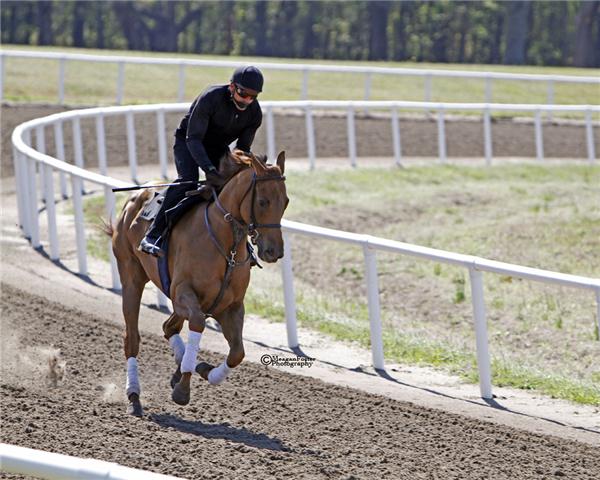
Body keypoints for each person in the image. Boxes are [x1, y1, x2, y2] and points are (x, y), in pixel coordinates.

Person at [139, 65, 264, 258]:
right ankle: (153, 234)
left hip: (217, 148)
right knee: (188, 179)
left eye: (252, 96)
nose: (247, 100)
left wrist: (241, 170)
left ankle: (242, 244)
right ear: (232, 87)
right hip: (189, 141)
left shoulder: (254, 113)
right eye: (243, 93)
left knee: (233, 189)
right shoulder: (211, 97)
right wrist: (210, 169)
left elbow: (242, 149)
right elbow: (193, 139)